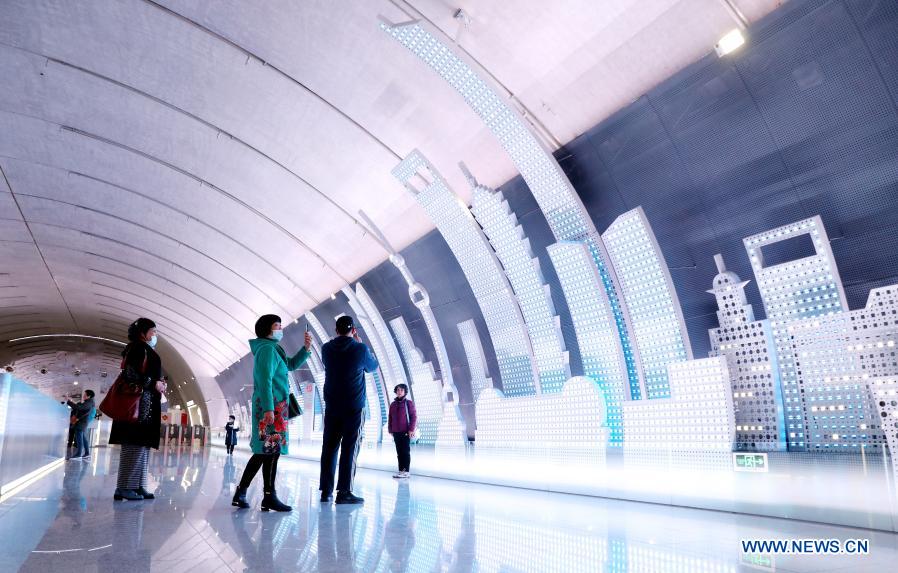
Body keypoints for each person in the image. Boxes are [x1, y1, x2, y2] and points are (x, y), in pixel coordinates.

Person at [232, 314, 311, 512]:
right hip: (271, 407)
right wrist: (268, 409)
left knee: (268, 452)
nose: (280, 329)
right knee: (267, 452)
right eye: (277, 326)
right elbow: (264, 380)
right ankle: (266, 496)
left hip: (276, 406)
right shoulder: (267, 349)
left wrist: (306, 349)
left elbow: (290, 365)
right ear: (267, 329)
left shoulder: (273, 348)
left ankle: (250, 493)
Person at [319, 315, 379, 504]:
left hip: (332, 406)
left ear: (336, 330)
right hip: (354, 406)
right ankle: (344, 491)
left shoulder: (326, 349)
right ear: (353, 330)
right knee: (350, 448)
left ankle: (326, 491)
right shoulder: (360, 348)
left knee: (329, 448)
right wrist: (360, 344)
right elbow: (372, 367)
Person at [109, 318, 167, 501]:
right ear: (142, 332)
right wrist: (153, 383)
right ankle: (125, 487)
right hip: (138, 405)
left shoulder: (144, 348)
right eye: (153, 331)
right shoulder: (137, 348)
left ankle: (138, 484)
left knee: (142, 444)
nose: (155, 335)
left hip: (146, 403)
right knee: (133, 444)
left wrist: (158, 383)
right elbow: (130, 373)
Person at [387, 384, 416, 479]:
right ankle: (401, 471)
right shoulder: (393, 404)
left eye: (401, 390)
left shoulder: (408, 403)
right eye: (398, 390)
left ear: (405, 392)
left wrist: (411, 429)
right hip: (396, 432)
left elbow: (413, 417)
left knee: (405, 451)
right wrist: (390, 429)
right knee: (399, 452)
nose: (399, 392)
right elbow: (390, 418)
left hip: (405, 431)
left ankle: (406, 471)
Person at [67, 389, 96, 460]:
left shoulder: (89, 402)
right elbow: (81, 408)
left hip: (81, 423)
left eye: (85, 395)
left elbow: (79, 408)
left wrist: (69, 402)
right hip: (83, 422)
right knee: (83, 438)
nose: (83, 396)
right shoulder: (89, 402)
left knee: (79, 438)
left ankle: (79, 454)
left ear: (89, 396)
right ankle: (87, 453)